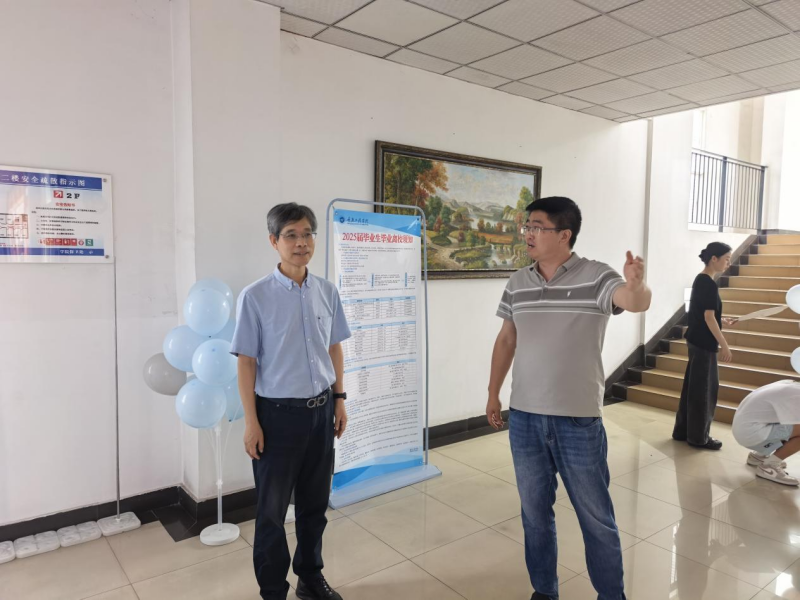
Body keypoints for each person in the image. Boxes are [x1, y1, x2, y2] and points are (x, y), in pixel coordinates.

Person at [486, 196, 651, 600]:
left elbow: (634, 302)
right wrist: (493, 393)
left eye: (536, 227)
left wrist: (636, 284)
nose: (528, 233)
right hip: (525, 418)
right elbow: (507, 339)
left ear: (564, 235)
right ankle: (544, 591)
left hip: (577, 420)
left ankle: (611, 595)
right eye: (527, 226)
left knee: (596, 518)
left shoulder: (596, 276)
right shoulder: (518, 281)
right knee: (534, 515)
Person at [231, 203, 351, 600]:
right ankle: (272, 590)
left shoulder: (327, 291)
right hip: (277, 418)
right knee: (271, 513)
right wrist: (252, 422)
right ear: (274, 241)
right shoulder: (255, 297)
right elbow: (246, 363)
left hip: (321, 413)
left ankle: (310, 578)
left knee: (315, 506)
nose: (302, 243)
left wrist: (339, 400)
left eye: (308, 234)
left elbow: (333, 348)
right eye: (291, 235)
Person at [672, 242, 737, 450]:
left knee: (693, 388)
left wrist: (722, 319)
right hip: (704, 344)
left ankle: (682, 431)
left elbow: (705, 313)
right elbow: (708, 318)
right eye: (726, 259)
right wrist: (724, 345)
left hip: (695, 340)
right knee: (705, 391)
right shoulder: (708, 283)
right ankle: (699, 438)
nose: (728, 263)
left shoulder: (700, 279)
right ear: (714, 259)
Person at [732, 380, 800, 486]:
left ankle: (758, 456)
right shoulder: (797, 394)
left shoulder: (789, 384)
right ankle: (770, 466)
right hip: (751, 434)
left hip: (744, 429)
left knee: (788, 424)